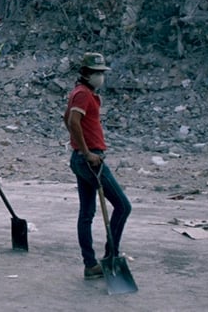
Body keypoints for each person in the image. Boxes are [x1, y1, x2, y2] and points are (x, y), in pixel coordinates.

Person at [63, 52, 132, 280]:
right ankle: (110, 255)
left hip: (83, 158)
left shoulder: (80, 93)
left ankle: (90, 264)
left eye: (101, 73)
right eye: (97, 73)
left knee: (87, 213)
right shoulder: (82, 94)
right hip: (90, 160)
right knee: (122, 206)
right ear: (86, 73)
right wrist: (87, 152)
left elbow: (68, 119)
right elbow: (72, 121)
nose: (100, 77)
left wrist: (80, 147)